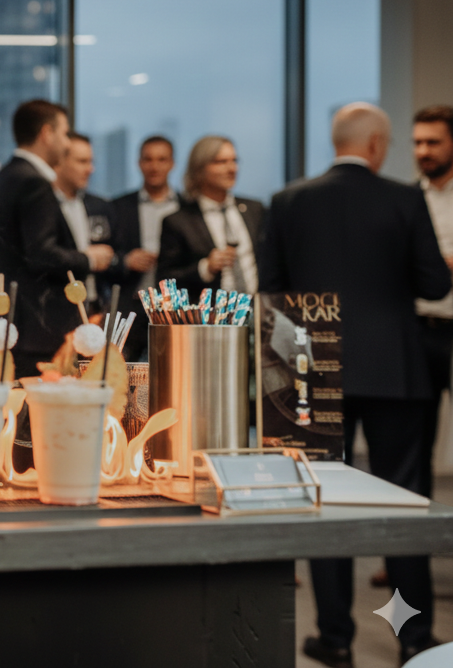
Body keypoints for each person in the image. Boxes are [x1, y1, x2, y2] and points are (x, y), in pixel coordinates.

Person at [259, 102, 450, 667]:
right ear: (375, 145)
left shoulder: (287, 201)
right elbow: (435, 285)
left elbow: (272, 291)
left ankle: (336, 638)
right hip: (395, 368)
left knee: (324, 501)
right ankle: (412, 637)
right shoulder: (404, 198)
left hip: (312, 367)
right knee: (404, 501)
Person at [0, 100, 114, 376]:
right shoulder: (33, 183)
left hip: (8, 323)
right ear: (46, 134)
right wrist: (89, 259)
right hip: (36, 328)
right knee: (41, 415)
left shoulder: (1, 179)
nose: (66, 144)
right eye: (64, 133)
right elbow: (40, 253)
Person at [157, 135, 264, 295]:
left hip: (258, 310)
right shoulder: (178, 221)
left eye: (234, 161)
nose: (232, 169)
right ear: (199, 169)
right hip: (210, 315)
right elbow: (166, 280)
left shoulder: (255, 210)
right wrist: (205, 268)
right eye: (221, 162)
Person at [412, 104, 453, 500]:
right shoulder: (405, 199)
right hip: (420, 331)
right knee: (414, 443)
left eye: (434, 142)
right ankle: (408, 559)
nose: (424, 151)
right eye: (418, 142)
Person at [111, 135, 180, 360]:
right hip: (131, 304)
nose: (154, 166)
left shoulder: (187, 207)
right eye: (148, 159)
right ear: (139, 163)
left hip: (173, 308)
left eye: (162, 159)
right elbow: (107, 253)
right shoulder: (119, 207)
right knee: (120, 372)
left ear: (172, 163)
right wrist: (126, 259)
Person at [53, 132, 118, 314]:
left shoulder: (100, 206)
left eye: (91, 162)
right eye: (82, 161)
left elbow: (117, 254)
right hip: (57, 309)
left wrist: (112, 258)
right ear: (60, 162)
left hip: (96, 306)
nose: (90, 169)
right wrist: (86, 258)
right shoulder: (45, 208)